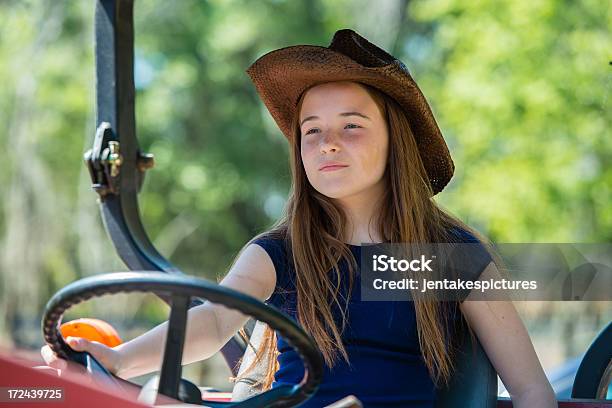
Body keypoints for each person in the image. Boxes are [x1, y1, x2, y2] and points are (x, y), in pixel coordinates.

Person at [42, 28, 557, 407]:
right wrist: (115, 361)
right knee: (163, 397)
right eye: (311, 130)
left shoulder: (445, 255)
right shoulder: (281, 251)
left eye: (351, 126)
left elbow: (531, 388)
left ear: (393, 142)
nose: (328, 142)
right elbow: (216, 319)